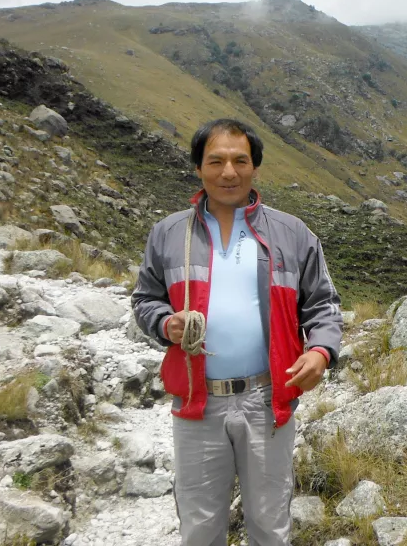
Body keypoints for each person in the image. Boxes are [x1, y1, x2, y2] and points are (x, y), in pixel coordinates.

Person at [132, 118, 342, 546]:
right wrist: (164, 322)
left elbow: (323, 304)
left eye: (240, 161)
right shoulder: (170, 234)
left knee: (269, 523)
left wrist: (321, 351)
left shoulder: (293, 234)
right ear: (198, 168)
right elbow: (144, 298)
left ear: (255, 167)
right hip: (196, 401)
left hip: (268, 400)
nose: (229, 172)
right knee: (200, 526)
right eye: (216, 161)